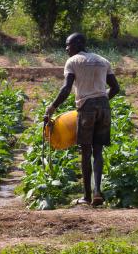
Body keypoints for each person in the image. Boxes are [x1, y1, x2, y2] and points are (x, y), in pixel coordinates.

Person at [44, 32, 120, 206]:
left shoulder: (73, 62)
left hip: (86, 109)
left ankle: (86, 197)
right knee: (98, 151)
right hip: (104, 108)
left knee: (86, 152)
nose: (66, 49)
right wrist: (101, 101)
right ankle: (97, 192)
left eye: (68, 45)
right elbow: (115, 88)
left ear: (78, 44)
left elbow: (66, 89)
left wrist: (51, 108)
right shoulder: (103, 61)